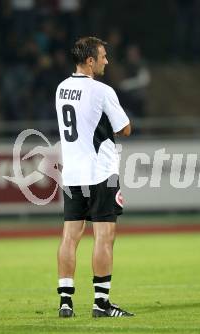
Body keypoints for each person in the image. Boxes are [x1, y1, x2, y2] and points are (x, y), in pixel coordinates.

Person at [55, 37, 133, 318]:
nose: (106, 61)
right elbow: (124, 128)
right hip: (101, 173)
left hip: (72, 173)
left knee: (70, 236)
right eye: (103, 56)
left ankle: (65, 301)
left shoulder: (61, 88)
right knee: (104, 236)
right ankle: (101, 304)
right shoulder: (102, 91)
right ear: (90, 60)